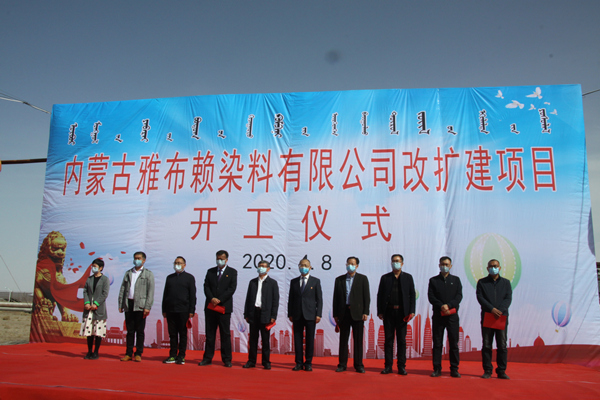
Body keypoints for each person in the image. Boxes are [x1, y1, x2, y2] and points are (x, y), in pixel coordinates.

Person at [376, 254, 415, 375]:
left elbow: (412, 295)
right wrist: (380, 311)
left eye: (397, 261)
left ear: (402, 263)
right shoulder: (385, 278)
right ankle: (388, 366)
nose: (395, 263)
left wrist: (412, 311)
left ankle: (401, 366)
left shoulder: (408, 277)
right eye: (393, 261)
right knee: (388, 340)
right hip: (388, 312)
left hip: (402, 313)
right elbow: (380, 295)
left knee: (401, 340)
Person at [199, 250, 238, 367]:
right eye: (218, 258)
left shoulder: (232, 272)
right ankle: (207, 358)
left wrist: (219, 299)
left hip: (224, 308)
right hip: (211, 307)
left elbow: (231, 289)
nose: (219, 261)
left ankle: (227, 359)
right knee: (210, 334)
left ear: (226, 260)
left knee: (225, 334)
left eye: (222, 259)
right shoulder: (210, 271)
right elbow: (206, 286)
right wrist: (212, 298)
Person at [332, 256, 370, 373]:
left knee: (358, 340)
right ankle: (342, 364)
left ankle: (359, 365)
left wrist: (365, 312)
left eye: (352, 264)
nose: (350, 266)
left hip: (358, 313)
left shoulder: (362, 279)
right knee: (343, 340)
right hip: (343, 313)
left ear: (357, 266)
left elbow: (366, 297)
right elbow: (335, 298)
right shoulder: (339, 280)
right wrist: (335, 314)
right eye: (348, 263)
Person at [476, 259, 512, 380]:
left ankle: (501, 371)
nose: (493, 268)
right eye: (491, 266)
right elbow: (480, 297)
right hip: (488, 316)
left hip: (501, 317)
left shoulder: (506, 283)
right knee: (487, 345)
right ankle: (487, 370)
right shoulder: (482, 282)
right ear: (487, 268)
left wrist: (500, 310)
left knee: (502, 345)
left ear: (500, 268)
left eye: (495, 266)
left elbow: (508, 298)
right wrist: (491, 309)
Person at [428, 256, 463, 378]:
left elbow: (459, 296)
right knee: (437, 343)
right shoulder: (433, 280)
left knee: (453, 343)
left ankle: (454, 369)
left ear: (451, 266)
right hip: (438, 315)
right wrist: (441, 306)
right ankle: (437, 368)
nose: (444, 266)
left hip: (452, 316)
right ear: (439, 265)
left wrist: (449, 305)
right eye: (442, 264)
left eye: (447, 264)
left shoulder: (456, 280)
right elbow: (431, 297)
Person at [118, 251, 155, 362]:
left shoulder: (148, 274)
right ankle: (128, 353)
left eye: (139, 258)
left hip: (141, 305)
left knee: (140, 330)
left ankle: (138, 353)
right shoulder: (128, 273)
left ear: (144, 260)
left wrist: (147, 307)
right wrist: (121, 304)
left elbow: (150, 292)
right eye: (135, 258)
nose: (136, 260)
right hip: (129, 304)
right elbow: (123, 289)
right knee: (130, 331)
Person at [287, 257, 323, 371]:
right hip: (297, 314)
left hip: (310, 315)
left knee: (309, 339)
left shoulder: (315, 281)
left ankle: (308, 363)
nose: (303, 267)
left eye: (306, 266)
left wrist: (318, 314)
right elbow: (291, 299)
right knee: (297, 339)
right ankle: (298, 362)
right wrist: (290, 313)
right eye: (301, 265)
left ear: (310, 267)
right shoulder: (294, 282)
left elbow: (319, 299)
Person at [243, 260, 279, 370]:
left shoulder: (272, 283)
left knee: (265, 340)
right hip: (254, 313)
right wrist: (246, 313)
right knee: (253, 339)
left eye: (263, 266)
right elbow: (248, 299)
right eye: (260, 266)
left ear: (268, 269)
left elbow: (275, 301)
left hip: (266, 314)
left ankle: (266, 362)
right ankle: (251, 361)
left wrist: (273, 316)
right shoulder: (252, 282)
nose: (261, 268)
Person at [162, 256, 196, 365]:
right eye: (176, 263)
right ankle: (172, 355)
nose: (177, 265)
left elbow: (192, 295)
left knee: (182, 334)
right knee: (172, 334)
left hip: (183, 310)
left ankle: (181, 356)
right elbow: (165, 294)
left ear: (184, 265)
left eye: (180, 263)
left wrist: (191, 310)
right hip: (170, 310)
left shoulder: (189, 278)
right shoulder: (169, 278)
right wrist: (164, 309)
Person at [80, 258, 110, 359]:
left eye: (95, 266)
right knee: (89, 332)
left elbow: (105, 293)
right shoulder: (89, 279)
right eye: (92, 266)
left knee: (98, 332)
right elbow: (85, 291)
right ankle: (89, 351)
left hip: (98, 309)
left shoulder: (105, 279)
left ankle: (96, 352)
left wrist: (96, 303)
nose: (93, 268)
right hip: (89, 309)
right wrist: (87, 302)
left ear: (101, 268)